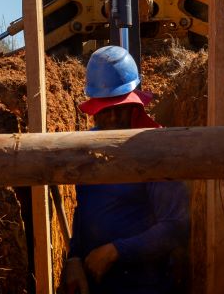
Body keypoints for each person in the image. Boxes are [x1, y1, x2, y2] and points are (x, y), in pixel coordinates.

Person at [61, 46, 190, 294]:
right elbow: (85, 211)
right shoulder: (88, 146)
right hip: (97, 283)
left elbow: (176, 226)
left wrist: (116, 251)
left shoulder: (155, 149)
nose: (110, 119)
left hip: (145, 284)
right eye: (103, 111)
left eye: (117, 109)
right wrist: (75, 257)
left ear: (134, 104)